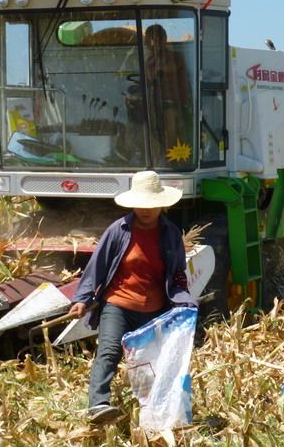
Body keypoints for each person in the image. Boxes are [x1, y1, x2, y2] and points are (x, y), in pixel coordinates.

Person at [69, 171, 197, 424]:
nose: (145, 210)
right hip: (118, 304)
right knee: (109, 351)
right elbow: (97, 266)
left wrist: (186, 303)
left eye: (150, 205)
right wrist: (82, 299)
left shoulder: (170, 234)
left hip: (154, 311)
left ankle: (152, 411)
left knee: (151, 362)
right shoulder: (119, 231)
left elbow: (178, 275)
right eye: (140, 205)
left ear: (161, 204)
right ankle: (98, 405)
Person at [143, 24, 191, 163]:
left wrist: (157, 60)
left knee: (172, 131)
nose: (151, 44)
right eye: (149, 40)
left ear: (164, 40)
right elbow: (148, 80)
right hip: (155, 105)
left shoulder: (176, 57)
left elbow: (164, 70)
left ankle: (174, 163)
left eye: (155, 40)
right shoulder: (149, 61)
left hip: (175, 105)